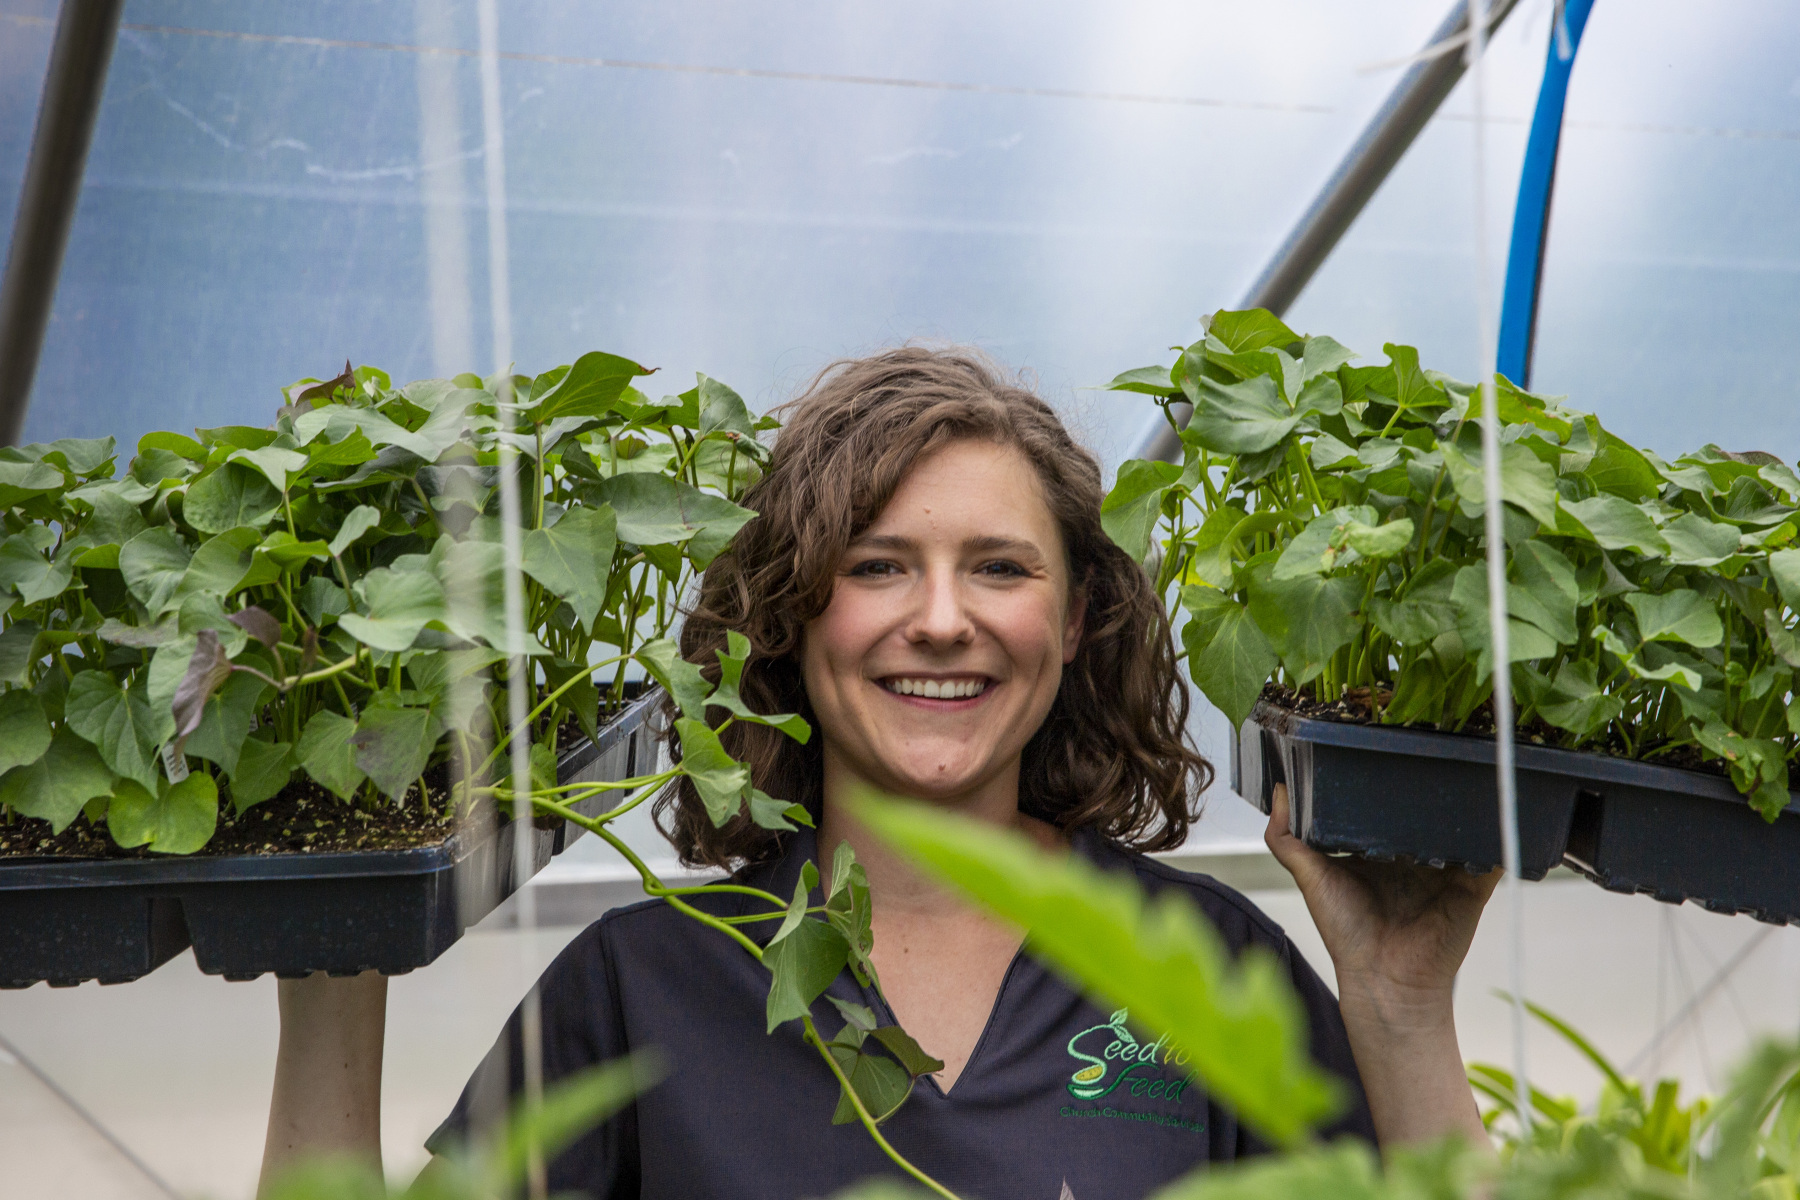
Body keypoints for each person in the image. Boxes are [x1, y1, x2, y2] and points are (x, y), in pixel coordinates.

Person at [260, 349, 1498, 1200]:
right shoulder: (644, 985)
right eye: (879, 565)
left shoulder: (1210, 969)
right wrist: (332, 984)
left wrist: (1399, 1008)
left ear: (1075, 626)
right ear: (794, 616)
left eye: (1002, 568)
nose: (944, 619)